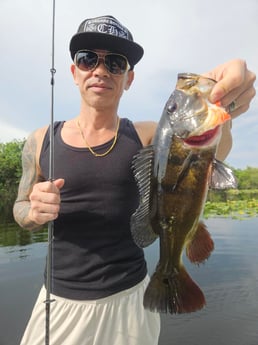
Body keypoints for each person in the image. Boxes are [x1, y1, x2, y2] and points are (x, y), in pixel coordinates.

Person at [13, 15, 256, 345]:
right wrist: (33, 212)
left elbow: (211, 153)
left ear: (128, 78)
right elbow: (20, 209)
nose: (100, 70)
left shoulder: (146, 135)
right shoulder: (40, 140)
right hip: (60, 305)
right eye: (88, 59)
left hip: (133, 302)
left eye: (115, 62)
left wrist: (222, 104)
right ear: (74, 72)